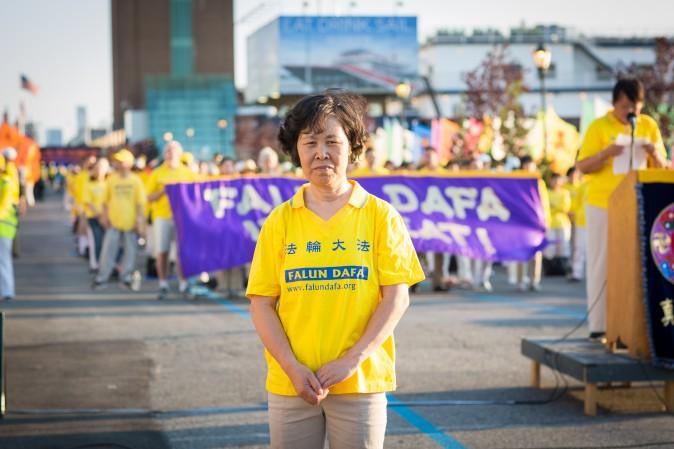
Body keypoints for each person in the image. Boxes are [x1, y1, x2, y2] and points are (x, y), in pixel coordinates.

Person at [246, 90, 424, 449]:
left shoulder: (380, 216)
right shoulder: (279, 221)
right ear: (296, 150)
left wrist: (352, 360)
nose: (320, 152)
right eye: (309, 142)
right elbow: (262, 303)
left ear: (353, 147)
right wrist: (293, 368)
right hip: (291, 384)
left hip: (360, 382)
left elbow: (396, 297)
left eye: (332, 141)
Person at [576, 78, 668, 340]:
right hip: (602, 203)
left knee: (636, 264)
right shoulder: (599, 126)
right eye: (625, 106)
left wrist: (654, 152)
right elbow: (582, 166)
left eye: (636, 107)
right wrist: (607, 153)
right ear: (615, 103)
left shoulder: (648, 126)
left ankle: (634, 325)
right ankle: (600, 325)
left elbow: (663, 167)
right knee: (601, 262)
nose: (631, 113)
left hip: (639, 203)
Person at [146, 141, 197, 299]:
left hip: (182, 218)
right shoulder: (157, 173)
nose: (170, 153)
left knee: (182, 252)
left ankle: (183, 283)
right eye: (168, 150)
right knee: (162, 252)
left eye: (174, 150)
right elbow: (149, 197)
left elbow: (195, 195)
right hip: (162, 217)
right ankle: (163, 283)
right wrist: (163, 191)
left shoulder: (188, 173)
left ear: (180, 153)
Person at [93, 149, 146, 290]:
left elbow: (140, 203)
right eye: (117, 162)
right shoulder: (112, 180)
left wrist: (139, 221)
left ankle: (126, 277)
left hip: (130, 222)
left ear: (128, 164)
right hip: (114, 222)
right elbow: (104, 202)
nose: (118, 164)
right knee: (108, 250)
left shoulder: (135, 181)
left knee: (130, 251)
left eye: (121, 162)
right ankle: (102, 277)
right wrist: (104, 217)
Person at [83, 158, 109, 273]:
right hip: (94, 218)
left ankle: (106, 264)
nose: (99, 170)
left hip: (108, 218)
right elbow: (88, 203)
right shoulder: (89, 185)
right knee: (96, 241)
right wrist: (99, 215)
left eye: (102, 167)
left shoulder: (109, 183)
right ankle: (95, 265)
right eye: (98, 167)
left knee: (107, 242)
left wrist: (106, 216)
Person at [0, 155, 18, 300]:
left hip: (4, 228)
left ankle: (7, 291)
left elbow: (4, 208)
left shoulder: (6, 183)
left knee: (3, 260)